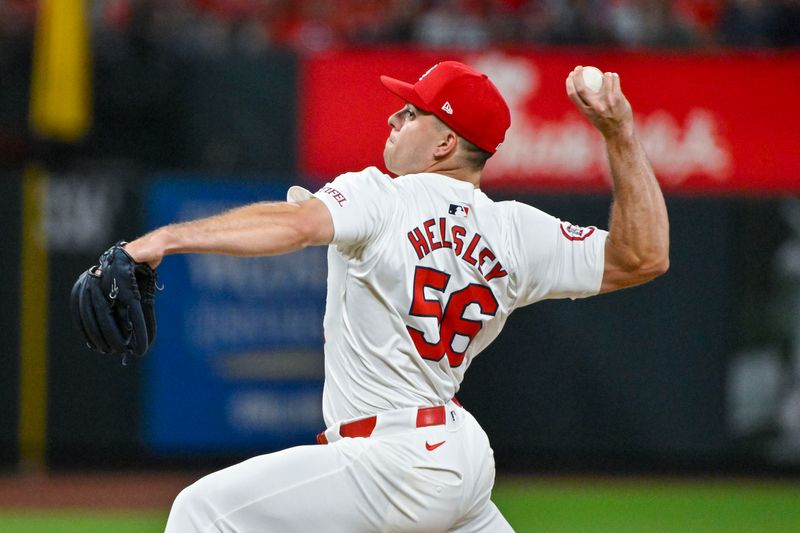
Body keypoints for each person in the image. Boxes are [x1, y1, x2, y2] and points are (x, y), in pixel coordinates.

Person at [125, 61, 669, 532]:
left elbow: (293, 226)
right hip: (458, 456)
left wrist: (165, 239)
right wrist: (619, 132)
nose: (393, 117)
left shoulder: (380, 196)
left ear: (445, 143)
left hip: (393, 461)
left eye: (411, 113)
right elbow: (642, 256)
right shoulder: (515, 231)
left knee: (201, 514)